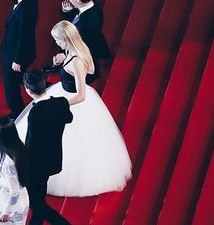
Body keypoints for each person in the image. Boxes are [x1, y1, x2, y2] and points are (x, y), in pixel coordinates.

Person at [17, 22, 131, 198]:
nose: (56, 43)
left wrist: (58, 105)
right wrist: (63, 61)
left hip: (71, 102)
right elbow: (91, 67)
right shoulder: (77, 50)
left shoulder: (77, 61)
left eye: (57, 39)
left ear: (65, 39)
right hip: (63, 93)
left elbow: (81, 95)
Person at [17, 69, 78, 225]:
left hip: (35, 163)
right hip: (52, 158)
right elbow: (69, 118)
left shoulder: (35, 113)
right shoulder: (60, 102)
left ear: (28, 91)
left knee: (33, 200)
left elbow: (30, 143)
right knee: (39, 194)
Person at [0, 0, 37, 115]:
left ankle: (16, 111)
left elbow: (24, 35)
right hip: (12, 48)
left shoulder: (27, 9)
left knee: (11, 84)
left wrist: (18, 60)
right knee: (21, 79)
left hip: (16, 54)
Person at [57, 0, 111, 80]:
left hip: (86, 52)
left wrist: (65, 56)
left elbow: (79, 46)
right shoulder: (91, 4)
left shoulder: (86, 25)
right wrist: (66, 11)